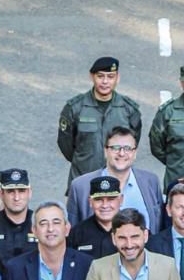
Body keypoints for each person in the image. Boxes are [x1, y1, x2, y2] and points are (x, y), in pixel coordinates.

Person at [57, 55, 142, 186]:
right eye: (100, 76)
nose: (105, 82)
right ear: (92, 76)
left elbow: (133, 142)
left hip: (118, 182)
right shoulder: (75, 108)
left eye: (110, 77)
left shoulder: (129, 109)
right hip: (83, 180)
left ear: (117, 78)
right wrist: (84, 159)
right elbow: (66, 144)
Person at [67, 125, 162, 232]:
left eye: (127, 148)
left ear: (135, 153)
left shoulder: (151, 181)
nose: (121, 153)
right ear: (105, 151)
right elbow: (71, 235)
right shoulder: (81, 187)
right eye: (115, 148)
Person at [67, 174, 123, 259]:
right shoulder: (77, 234)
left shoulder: (134, 229)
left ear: (121, 200)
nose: (105, 205)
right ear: (90, 201)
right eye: (99, 200)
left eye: (111, 199)